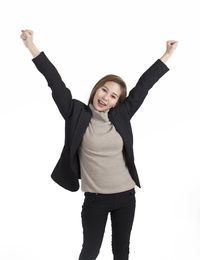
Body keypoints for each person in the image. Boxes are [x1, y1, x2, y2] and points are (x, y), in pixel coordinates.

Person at [20, 29, 178, 260]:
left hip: (126, 196)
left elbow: (143, 87)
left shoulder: (121, 115)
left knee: (121, 251)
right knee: (90, 251)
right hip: (95, 199)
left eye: (113, 96)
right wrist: (31, 46)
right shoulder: (75, 113)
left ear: (117, 103)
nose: (106, 97)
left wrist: (167, 54)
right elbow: (55, 82)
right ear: (97, 88)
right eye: (105, 89)